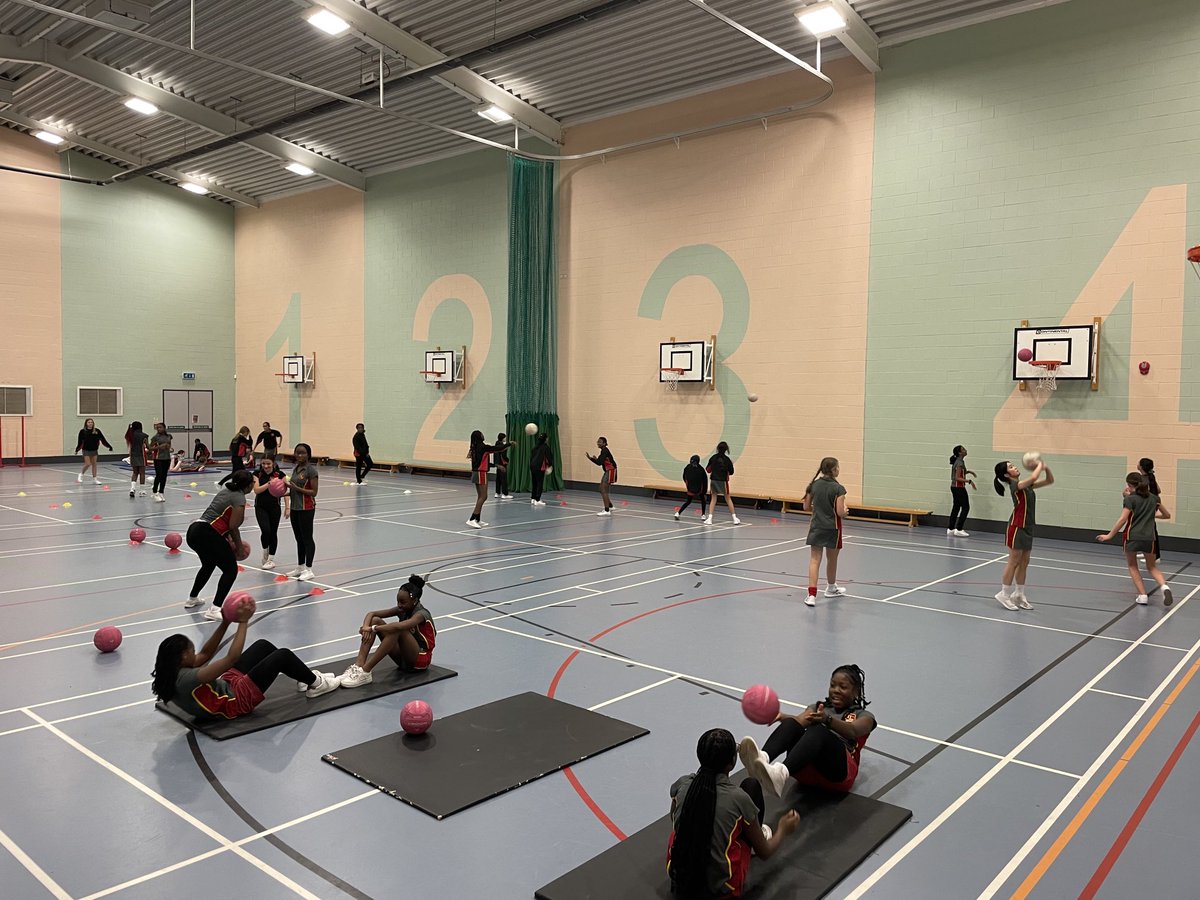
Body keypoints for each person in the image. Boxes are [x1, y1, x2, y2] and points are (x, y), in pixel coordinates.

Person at [667, 728, 799, 899]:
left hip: (680, 878)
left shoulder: (682, 784)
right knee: (751, 785)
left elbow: (673, 819)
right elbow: (764, 853)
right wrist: (783, 829)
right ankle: (759, 833)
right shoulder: (739, 799)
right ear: (732, 762)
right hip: (721, 890)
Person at [151, 610, 339, 718]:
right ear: (183, 657)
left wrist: (225, 623)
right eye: (191, 652)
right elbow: (231, 658)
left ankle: (302, 676)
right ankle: (317, 684)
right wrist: (243, 622)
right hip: (236, 702)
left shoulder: (171, 670)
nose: (195, 654)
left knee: (262, 646)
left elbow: (206, 653)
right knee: (282, 655)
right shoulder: (188, 679)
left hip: (225, 690)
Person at [739, 664, 876, 798]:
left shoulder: (864, 716)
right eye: (832, 685)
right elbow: (799, 721)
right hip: (806, 772)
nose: (835, 690)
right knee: (792, 724)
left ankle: (781, 774)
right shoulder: (819, 707)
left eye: (843, 687)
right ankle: (762, 759)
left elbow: (853, 730)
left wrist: (826, 720)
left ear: (856, 691)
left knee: (818, 730)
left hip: (838, 775)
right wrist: (783, 717)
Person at [339, 575, 436, 687]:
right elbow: (372, 614)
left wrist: (373, 629)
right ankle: (358, 665)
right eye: (398, 601)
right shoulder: (402, 609)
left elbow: (399, 627)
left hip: (420, 660)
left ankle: (365, 672)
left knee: (398, 629)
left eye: (403, 602)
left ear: (415, 600)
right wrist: (366, 626)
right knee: (375, 620)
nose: (399, 605)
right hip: (403, 659)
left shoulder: (421, 614)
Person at [183, 470, 254, 620]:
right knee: (230, 570)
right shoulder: (239, 498)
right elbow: (233, 526)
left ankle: (192, 598)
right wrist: (239, 547)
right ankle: (214, 609)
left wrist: (227, 541)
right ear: (247, 486)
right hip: (206, 533)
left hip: (194, 531)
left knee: (208, 565)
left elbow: (224, 523)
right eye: (253, 482)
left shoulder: (226, 490)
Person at [1097, 472, 1173, 606]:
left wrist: (1109, 535)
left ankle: (1143, 595)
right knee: (1152, 567)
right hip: (1149, 537)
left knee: (1132, 566)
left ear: (1129, 485)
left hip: (1132, 536)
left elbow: (1122, 519)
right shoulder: (1154, 498)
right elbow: (1167, 515)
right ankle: (1164, 587)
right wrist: (1153, 517)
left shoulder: (1130, 499)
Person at [992, 457, 1054, 610]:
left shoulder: (1027, 486)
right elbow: (1033, 476)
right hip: (1017, 527)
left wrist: (1046, 468)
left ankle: (1019, 594)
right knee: (1013, 562)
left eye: (1013, 465)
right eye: (1011, 467)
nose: (1015, 467)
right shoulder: (1015, 485)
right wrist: (1039, 464)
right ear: (1007, 475)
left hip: (1028, 527)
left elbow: (1049, 481)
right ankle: (1004, 594)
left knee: (1025, 562)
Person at [802, 457, 849, 607]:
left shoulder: (813, 485)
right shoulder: (838, 488)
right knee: (832, 559)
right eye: (838, 467)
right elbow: (840, 512)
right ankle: (830, 588)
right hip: (832, 528)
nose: (839, 470)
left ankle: (811, 595)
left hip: (816, 527)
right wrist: (846, 512)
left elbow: (806, 507)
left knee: (814, 560)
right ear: (834, 470)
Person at [287, 443, 319, 581]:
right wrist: (282, 492)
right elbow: (293, 489)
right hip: (295, 508)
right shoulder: (296, 469)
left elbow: (314, 492)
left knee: (307, 538)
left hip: (306, 508)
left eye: (303, 453)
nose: (299, 455)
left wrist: (296, 489)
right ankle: (300, 566)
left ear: (308, 455)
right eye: (297, 453)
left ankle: (309, 569)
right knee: (298, 539)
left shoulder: (311, 471)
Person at [251, 456, 288, 570]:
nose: (266, 466)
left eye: (268, 464)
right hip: (261, 507)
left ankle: (271, 559)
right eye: (263, 464)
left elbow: (285, 491)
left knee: (273, 532)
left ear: (273, 463)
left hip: (274, 507)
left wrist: (287, 507)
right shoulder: (257, 474)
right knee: (265, 530)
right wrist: (269, 484)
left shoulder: (280, 475)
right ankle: (265, 551)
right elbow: (256, 490)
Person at [466, 430, 506, 527]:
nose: (483, 435)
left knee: (481, 496)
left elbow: (485, 462)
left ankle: (478, 519)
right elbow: (497, 449)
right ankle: (472, 518)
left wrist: (497, 465)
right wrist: (508, 444)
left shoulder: (476, 447)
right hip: (480, 473)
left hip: (477, 472)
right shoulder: (483, 447)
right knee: (483, 496)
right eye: (481, 434)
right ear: (479, 437)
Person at [704, 442, 740, 526]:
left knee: (713, 498)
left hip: (714, 480)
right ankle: (734, 518)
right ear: (726, 449)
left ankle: (710, 518)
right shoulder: (727, 460)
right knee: (728, 498)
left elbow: (708, 470)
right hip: (723, 481)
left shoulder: (713, 458)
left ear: (717, 448)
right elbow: (731, 472)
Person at [946, 445, 977, 537]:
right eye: (963, 449)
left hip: (954, 488)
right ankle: (959, 529)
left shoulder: (959, 462)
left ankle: (951, 528)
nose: (965, 450)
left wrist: (969, 472)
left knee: (956, 507)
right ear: (960, 453)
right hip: (958, 488)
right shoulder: (959, 463)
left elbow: (959, 473)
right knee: (966, 507)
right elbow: (957, 477)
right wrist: (969, 481)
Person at [1138, 457, 1163, 564]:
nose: (1137, 464)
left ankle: (1155, 556)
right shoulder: (1150, 477)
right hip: (1150, 506)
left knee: (1151, 531)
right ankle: (1147, 552)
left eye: (1138, 463)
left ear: (1141, 467)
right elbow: (1159, 490)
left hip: (1146, 507)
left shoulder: (1143, 479)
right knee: (1145, 530)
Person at [585, 436, 617, 516]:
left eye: (600, 442)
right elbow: (600, 462)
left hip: (611, 470)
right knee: (602, 488)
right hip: (609, 470)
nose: (598, 443)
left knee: (603, 489)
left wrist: (592, 459)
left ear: (604, 443)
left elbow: (599, 462)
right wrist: (593, 459)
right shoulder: (603, 451)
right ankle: (610, 506)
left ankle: (607, 510)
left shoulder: (604, 451)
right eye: (597, 441)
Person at [74, 418, 113, 484]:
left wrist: (109, 446)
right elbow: (80, 442)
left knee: (94, 464)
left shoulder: (97, 431)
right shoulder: (82, 431)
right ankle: (81, 474)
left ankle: (95, 479)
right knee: (88, 463)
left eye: (91, 422)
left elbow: (103, 439)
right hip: (86, 450)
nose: (90, 423)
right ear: (86, 423)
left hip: (94, 449)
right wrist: (77, 449)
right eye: (89, 422)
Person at [675, 454, 709, 521]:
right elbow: (705, 481)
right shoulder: (698, 469)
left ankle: (678, 513)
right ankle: (703, 515)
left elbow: (684, 477)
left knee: (689, 501)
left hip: (695, 489)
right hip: (696, 489)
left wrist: (688, 486)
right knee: (702, 501)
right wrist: (704, 491)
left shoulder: (691, 468)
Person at [148, 421, 173, 502]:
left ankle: (161, 492)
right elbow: (150, 448)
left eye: (160, 427)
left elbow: (169, 446)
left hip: (167, 458)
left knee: (164, 476)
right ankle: (155, 491)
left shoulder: (169, 436)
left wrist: (169, 448)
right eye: (157, 428)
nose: (158, 429)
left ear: (164, 428)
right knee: (159, 475)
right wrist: (159, 447)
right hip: (158, 458)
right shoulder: (155, 437)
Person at [530, 432, 553, 507]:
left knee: (534, 483)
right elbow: (549, 457)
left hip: (532, 466)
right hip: (539, 467)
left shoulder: (535, 447)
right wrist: (550, 465)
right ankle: (537, 500)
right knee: (539, 483)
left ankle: (533, 498)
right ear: (545, 439)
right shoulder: (545, 447)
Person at [127, 421, 149, 498]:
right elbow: (148, 446)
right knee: (142, 473)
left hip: (133, 455)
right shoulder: (144, 435)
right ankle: (142, 491)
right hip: (141, 455)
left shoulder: (130, 435)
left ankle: (132, 489)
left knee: (135, 472)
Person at [494, 432, 514, 500]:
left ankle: (497, 493)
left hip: (497, 464)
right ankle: (505, 494)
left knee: (498, 479)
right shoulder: (501, 445)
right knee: (503, 479)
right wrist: (507, 460)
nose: (505, 438)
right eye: (505, 437)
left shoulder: (496, 444)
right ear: (502, 438)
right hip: (502, 464)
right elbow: (503, 455)